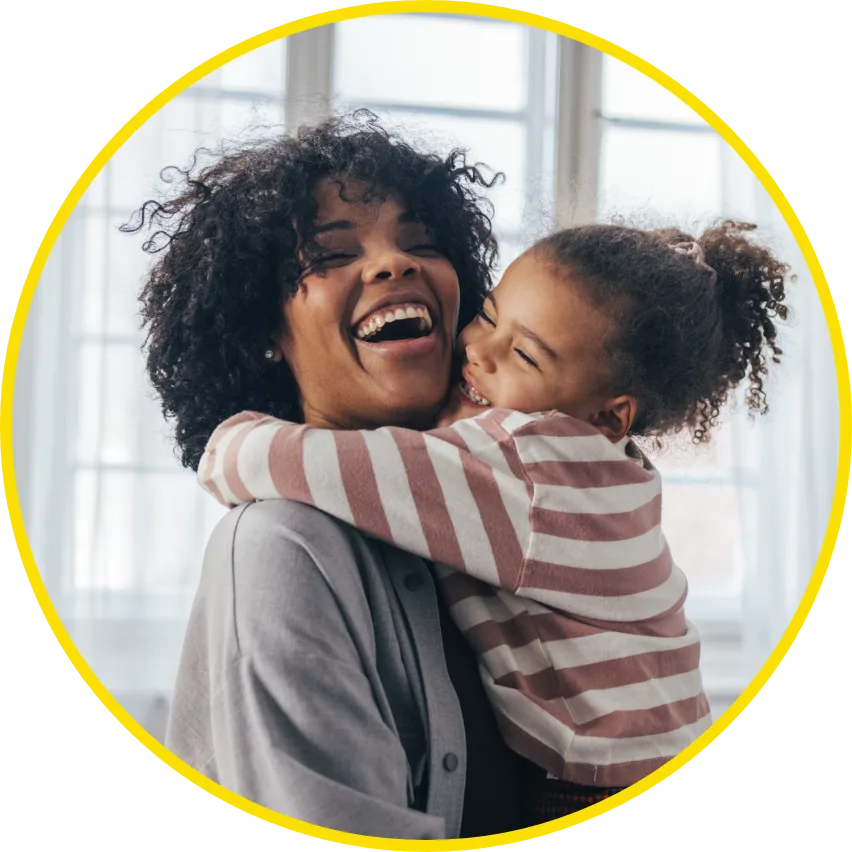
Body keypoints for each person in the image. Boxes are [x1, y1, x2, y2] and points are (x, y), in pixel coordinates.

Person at [197, 219, 790, 825]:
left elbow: (325, 466)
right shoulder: (601, 472)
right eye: (486, 314)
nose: (477, 350)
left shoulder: (530, 466)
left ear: (608, 418)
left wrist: (226, 443)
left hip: (595, 785)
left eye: (525, 355)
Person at [126, 109, 546, 840]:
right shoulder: (280, 547)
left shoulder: (506, 502)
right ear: (262, 333)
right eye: (328, 256)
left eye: (421, 242)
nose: (395, 264)